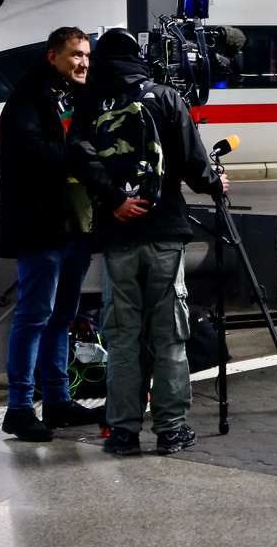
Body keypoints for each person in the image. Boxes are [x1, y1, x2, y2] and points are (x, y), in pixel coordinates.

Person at [67, 28, 228, 457]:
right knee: (170, 337)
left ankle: (122, 431)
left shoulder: (90, 104)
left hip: (118, 236)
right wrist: (216, 182)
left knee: (121, 337)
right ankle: (171, 429)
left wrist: (114, 198)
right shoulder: (165, 97)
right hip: (164, 235)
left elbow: (79, 154)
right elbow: (195, 165)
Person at [0, 27, 104, 441]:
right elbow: (27, 151)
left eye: (87, 56)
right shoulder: (27, 101)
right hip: (42, 228)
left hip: (78, 228)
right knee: (33, 316)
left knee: (61, 317)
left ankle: (57, 401)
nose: (83, 63)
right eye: (75, 55)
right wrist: (80, 157)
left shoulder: (85, 100)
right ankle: (19, 407)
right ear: (52, 56)